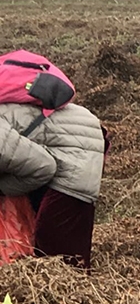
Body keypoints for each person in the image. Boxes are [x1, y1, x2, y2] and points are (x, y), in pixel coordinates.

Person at [0, 102, 106, 269]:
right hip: (68, 138)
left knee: (58, 257)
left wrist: (3, 189)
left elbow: (43, 167)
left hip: (76, 153)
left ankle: (66, 291)